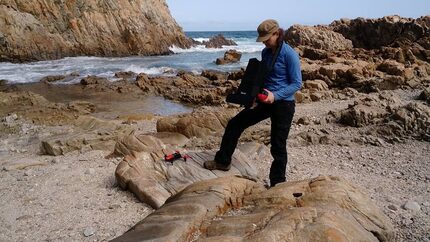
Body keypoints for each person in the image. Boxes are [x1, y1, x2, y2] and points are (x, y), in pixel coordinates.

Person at [203, 19, 302, 187]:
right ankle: (223, 161)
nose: (264, 42)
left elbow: (297, 83)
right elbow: (263, 76)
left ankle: (278, 183)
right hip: (264, 100)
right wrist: (254, 96)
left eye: (267, 38)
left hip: (283, 104)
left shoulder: (289, 54)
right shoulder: (266, 53)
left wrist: (275, 96)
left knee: (278, 145)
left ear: (277, 34)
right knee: (235, 123)